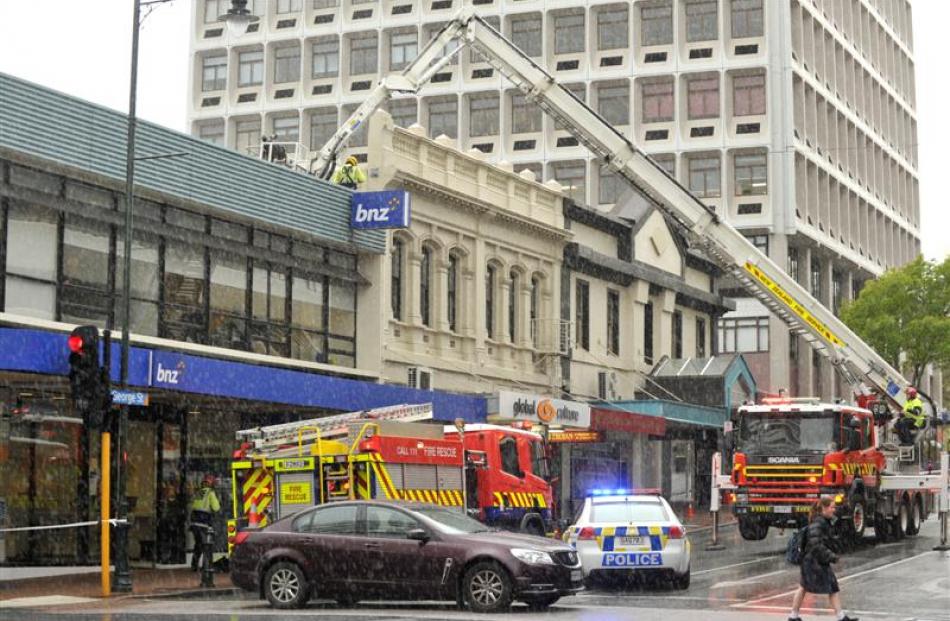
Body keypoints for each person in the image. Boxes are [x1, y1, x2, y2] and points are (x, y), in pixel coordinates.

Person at [788, 497, 858, 621]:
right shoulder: (818, 524)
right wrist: (831, 556)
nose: (834, 510)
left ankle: (793, 616)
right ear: (824, 509)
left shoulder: (822, 521)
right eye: (832, 507)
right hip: (815, 562)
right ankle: (840, 617)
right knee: (830, 587)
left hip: (811, 561)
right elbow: (816, 545)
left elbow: (823, 541)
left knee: (806, 586)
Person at [190, 474, 221, 571]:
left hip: (195, 523)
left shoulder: (198, 492)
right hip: (203, 523)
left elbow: (193, 505)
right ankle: (206, 567)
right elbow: (216, 508)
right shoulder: (210, 493)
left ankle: (194, 565)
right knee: (206, 546)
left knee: (198, 545)